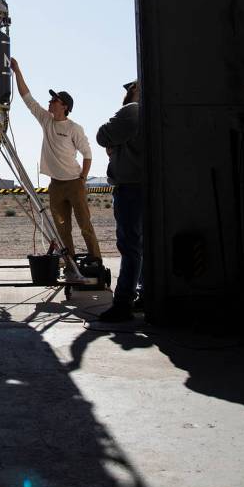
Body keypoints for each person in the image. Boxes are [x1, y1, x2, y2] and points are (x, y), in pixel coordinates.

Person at [10, 58, 102, 275]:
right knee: (63, 229)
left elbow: (88, 154)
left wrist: (82, 178)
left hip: (74, 184)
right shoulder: (46, 120)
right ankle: (70, 265)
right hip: (56, 186)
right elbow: (27, 97)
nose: (50, 102)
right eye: (51, 100)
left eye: (55, 100)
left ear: (65, 107)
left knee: (85, 225)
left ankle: (96, 262)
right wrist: (17, 71)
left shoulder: (73, 128)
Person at [96, 80, 142, 322]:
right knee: (141, 246)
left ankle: (123, 302)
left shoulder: (132, 111)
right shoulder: (147, 113)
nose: (126, 93)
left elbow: (102, 135)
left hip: (130, 188)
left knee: (130, 246)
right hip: (142, 187)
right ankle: (143, 294)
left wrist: (114, 142)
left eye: (130, 88)